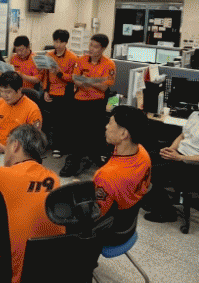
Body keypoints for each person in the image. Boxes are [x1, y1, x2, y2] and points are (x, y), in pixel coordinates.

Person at [0, 124, 65, 283]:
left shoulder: (0, 174)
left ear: (15, 146)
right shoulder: (53, 178)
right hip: (53, 274)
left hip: (16, 282)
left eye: (7, 144)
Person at [144, 82, 199, 223]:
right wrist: (172, 149)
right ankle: (156, 201)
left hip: (195, 167)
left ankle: (167, 213)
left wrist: (180, 158)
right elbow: (183, 136)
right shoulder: (195, 114)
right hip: (179, 156)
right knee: (145, 160)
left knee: (153, 171)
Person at [60, 33, 116, 177]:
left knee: (94, 132)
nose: (91, 48)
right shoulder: (81, 60)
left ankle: (93, 156)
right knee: (76, 132)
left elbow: (104, 87)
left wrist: (87, 80)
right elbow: (75, 79)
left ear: (103, 49)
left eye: (95, 47)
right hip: (79, 101)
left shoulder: (109, 65)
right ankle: (73, 160)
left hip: (96, 103)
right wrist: (94, 81)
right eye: (90, 45)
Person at [93, 105, 151, 216]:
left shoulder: (105, 176)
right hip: (128, 215)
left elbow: (97, 215)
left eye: (110, 123)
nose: (106, 127)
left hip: (110, 222)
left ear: (123, 134)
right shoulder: (143, 153)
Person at [0, 71, 42, 154]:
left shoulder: (32, 110)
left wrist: (5, 149)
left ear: (19, 90)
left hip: (17, 154)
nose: (4, 95)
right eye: (1, 91)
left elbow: (32, 144)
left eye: (8, 92)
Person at [39, 29, 77, 158]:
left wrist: (59, 73)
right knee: (46, 118)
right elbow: (45, 75)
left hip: (65, 92)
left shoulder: (72, 57)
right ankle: (45, 143)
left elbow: (73, 78)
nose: (58, 44)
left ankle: (59, 146)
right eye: (56, 41)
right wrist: (45, 90)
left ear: (66, 42)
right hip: (50, 91)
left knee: (61, 121)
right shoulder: (49, 55)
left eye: (61, 42)